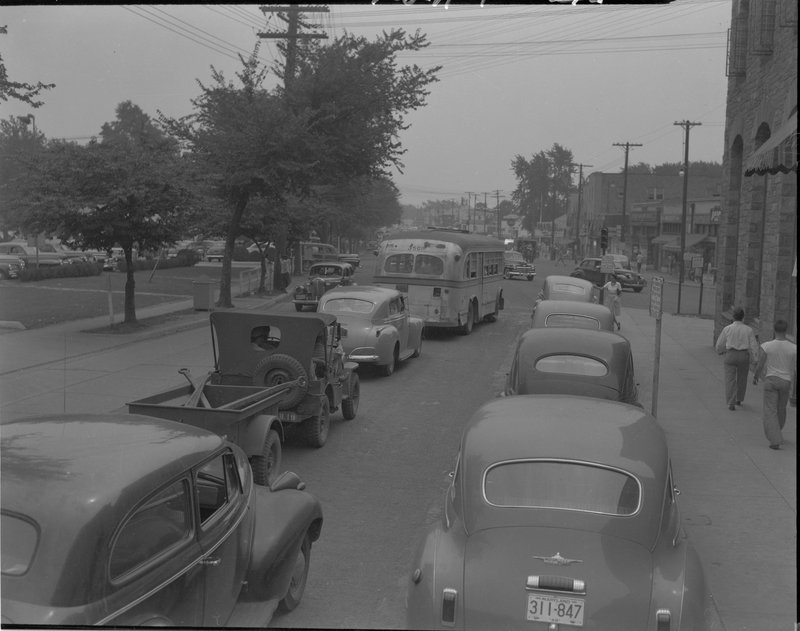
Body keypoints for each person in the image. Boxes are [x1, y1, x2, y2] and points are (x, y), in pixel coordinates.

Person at [753, 320, 796, 449]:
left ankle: (774, 439)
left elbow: (761, 364)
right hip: (785, 381)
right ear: (786, 330)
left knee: (770, 410)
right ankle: (778, 430)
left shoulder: (767, 346)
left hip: (771, 380)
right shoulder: (793, 348)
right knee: (781, 409)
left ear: (774, 330)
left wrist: (756, 376)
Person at [714, 307, 760, 411]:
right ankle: (739, 398)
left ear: (733, 317)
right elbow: (754, 345)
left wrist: (719, 351)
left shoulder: (728, 328)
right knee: (742, 378)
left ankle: (731, 402)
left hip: (731, 354)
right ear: (743, 317)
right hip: (743, 355)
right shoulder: (748, 330)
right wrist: (756, 358)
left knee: (730, 379)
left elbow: (720, 343)